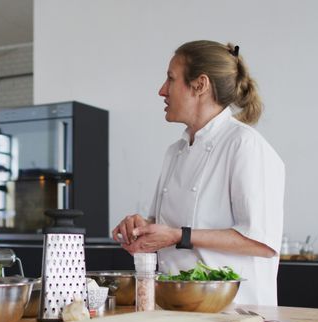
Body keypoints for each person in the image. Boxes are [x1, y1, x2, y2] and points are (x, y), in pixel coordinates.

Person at [112, 40, 285, 306]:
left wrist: (179, 236)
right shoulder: (175, 151)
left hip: (237, 314)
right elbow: (166, 229)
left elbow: (261, 242)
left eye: (170, 79)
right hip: (177, 308)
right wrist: (141, 230)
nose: (161, 90)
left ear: (200, 85)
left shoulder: (245, 145)